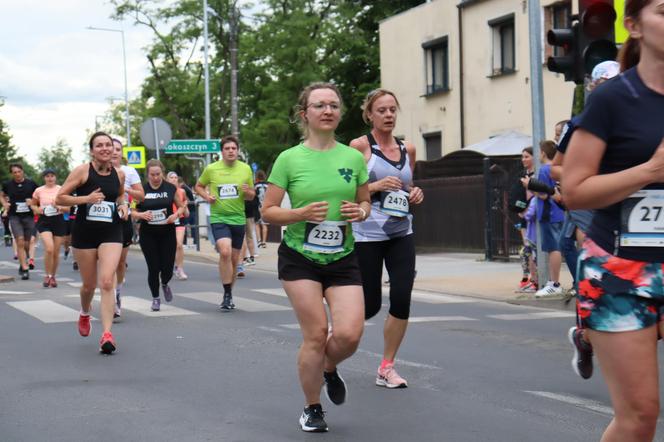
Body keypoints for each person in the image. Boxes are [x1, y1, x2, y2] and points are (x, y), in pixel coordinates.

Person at [562, 1, 664, 439]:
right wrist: (649, 172)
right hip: (620, 268)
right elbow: (574, 190)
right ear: (634, 25)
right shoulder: (613, 99)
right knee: (640, 417)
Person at [261, 82, 370, 433]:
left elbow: (365, 201)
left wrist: (362, 211)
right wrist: (301, 214)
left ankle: (327, 368)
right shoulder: (289, 158)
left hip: (343, 256)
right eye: (319, 105)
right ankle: (312, 407)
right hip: (299, 257)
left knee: (350, 334)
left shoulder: (352, 158)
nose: (328, 111)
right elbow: (268, 211)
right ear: (304, 113)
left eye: (334, 105)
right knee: (316, 332)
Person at [551, 61, 621, 380]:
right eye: (606, 83)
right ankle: (587, 330)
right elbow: (556, 168)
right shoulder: (582, 123)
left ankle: (586, 334)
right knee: (597, 275)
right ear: (594, 86)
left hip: (635, 209)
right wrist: (589, 176)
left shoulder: (645, 115)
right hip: (593, 202)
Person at [349, 89, 423, 389]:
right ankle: (334, 335)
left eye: (393, 109)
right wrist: (376, 185)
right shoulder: (358, 147)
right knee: (369, 305)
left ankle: (386, 366)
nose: (388, 115)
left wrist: (416, 193)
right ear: (369, 114)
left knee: (402, 295)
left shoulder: (409, 149)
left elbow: (409, 186)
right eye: (382, 110)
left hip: (401, 232)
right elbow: (347, 189)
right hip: (367, 235)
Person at [56, 131, 128, 354]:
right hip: (85, 234)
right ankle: (85, 312)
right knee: (89, 285)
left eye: (108, 145)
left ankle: (107, 335)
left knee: (107, 282)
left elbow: (120, 196)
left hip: (111, 231)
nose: (105, 149)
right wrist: (86, 199)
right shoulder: (82, 171)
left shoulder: (119, 174)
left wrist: (124, 206)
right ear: (92, 150)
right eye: (100, 145)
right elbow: (60, 197)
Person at [194, 135, 255, 310]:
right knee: (225, 252)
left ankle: (228, 294)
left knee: (235, 260)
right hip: (219, 217)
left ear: (237, 151)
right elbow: (198, 186)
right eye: (227, 148)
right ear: (222, 152)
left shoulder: (245, 169)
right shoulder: (212, 169)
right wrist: (207, 196)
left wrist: (247, 191)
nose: (230, 151)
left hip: (238, 218)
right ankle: (227, 292)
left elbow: (251, 195)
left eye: (233, 148)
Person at [133, 160, 184, 311]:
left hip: (167, 232)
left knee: (167, 268)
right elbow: (132, 212)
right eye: (152, 175)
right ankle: (155, 298)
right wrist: (141, 215)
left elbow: (181, 207)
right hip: (148, 234)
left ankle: (165, 283)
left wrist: (175, 216)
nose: (155, 177)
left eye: (158, 174)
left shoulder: (169, 188)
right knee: (153, 268)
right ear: (147, 175)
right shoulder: (141, 190)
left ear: (162, 172)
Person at [111, 139, 144, 318]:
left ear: (122, 152)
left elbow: (142, 195)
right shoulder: (97, 170)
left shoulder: (129, 171)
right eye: (112, 148)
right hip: (102, 219)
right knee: (108, 261)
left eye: (118, 149)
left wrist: (126, 190)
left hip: (123, 218)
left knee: (120, 262)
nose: (114, 152)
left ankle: (117, 291)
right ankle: (110, 296)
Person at [530, 141, 565, 298]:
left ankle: (554, 283)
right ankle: (555, 282)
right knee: (558, 247)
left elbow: (544, 194)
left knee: (553, 248)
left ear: (543, 153)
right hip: (560, 212)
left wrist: (530, 187)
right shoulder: (557, 169)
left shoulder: (544, 170)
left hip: (548, 212)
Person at [31, 169, 68, 287]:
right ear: (44, 178)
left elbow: (69, 208)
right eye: (47, 176)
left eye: (52, 176)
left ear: (55, 177)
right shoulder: (39, 190)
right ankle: (47, 275)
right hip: (44, 220)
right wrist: (37, 210)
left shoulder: (61, 189)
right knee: (49, 249)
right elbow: (33, 204)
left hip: (58, 220)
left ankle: (53, 276)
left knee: (56, 252)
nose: (50, 178)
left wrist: (59, 207)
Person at [1, 163, 38, 280]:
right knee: (20, 241)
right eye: (14, 172)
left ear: (22, 171)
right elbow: (1, 195)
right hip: (14, 216)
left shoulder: (31, 184)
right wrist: (4, 204)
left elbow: (38, 197)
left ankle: (25, 259)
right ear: (12, 174)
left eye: (19, 171)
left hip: (28, 216)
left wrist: (32, 203)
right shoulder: (8, 185)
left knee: (27, 243)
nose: (17, 174)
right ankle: (24, 268)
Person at [167, 172, 189, 280]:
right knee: (168, 246)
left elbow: (187, 213)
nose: (174, 179)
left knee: (179, 244)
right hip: (167, 220)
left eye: (176, 177)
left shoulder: (182, 192)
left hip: (179, 220)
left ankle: (179, 269)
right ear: (167, 179)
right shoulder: (165, 191)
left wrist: (185, 208)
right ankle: (166, 268)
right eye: (171, 177)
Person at [254, 170, 269, 247]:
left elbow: (254, 196)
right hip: (266, 206)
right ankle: (264, 242)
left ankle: (259, 241)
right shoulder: (268, 185)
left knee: (257, 224)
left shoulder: (255, 185)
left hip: (257, 206)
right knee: (264, 225)